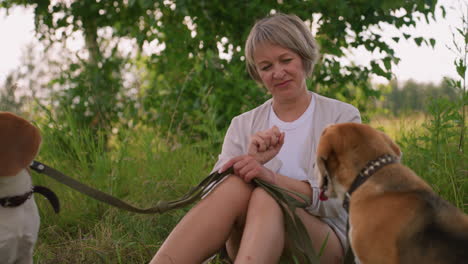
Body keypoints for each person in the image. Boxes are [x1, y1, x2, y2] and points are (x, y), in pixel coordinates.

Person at [150, 13, 361, 264]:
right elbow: (216, 200)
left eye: (286, 60)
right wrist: (250, 161)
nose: (278, 73)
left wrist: (271, 178)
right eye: (266, 67)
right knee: (236, 185)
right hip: (247, 241)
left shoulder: (342, 116)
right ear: (257, 73)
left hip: (323, 243)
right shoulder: (242, 125)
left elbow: (339, 201)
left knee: (268, 194)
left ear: (304, 58)